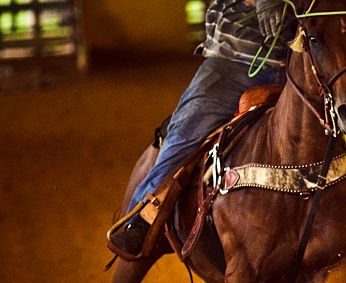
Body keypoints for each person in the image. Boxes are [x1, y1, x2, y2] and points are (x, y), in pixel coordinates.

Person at [108, 0, 294, 256]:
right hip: (233, 59)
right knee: (188, 129)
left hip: (303, 56)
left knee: (334, 125)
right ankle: (145, 214)